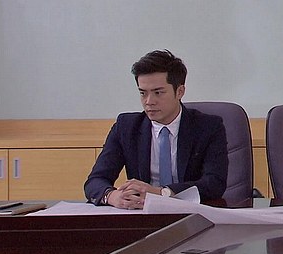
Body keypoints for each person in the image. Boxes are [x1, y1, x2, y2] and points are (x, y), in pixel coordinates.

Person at [84, 50, 228, 209]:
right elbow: (95, 181)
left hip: (191, 213)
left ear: (180, 91)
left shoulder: (208, 127)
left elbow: (214, 183)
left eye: (158, 93)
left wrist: (161, 193)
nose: (149, 101)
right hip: (141, 214)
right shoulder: (126, 127)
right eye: (143, 93)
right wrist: (112, 196)